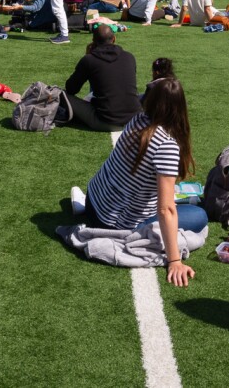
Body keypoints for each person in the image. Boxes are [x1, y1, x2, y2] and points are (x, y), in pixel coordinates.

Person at [72, 76, 205, 288]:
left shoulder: (137, 120)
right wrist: (174, 261)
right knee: (200, 216)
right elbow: (166, 210)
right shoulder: (167, 145)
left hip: (94, 202)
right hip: (113, 223)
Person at [64, 24, 141, 130]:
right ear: (114, 38)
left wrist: (87, 57)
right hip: (134, 119)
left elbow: (71, 89)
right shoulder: (129, 57)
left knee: (61, 94)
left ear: (93, 40)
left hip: (105, 120)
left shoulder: (89, 60)